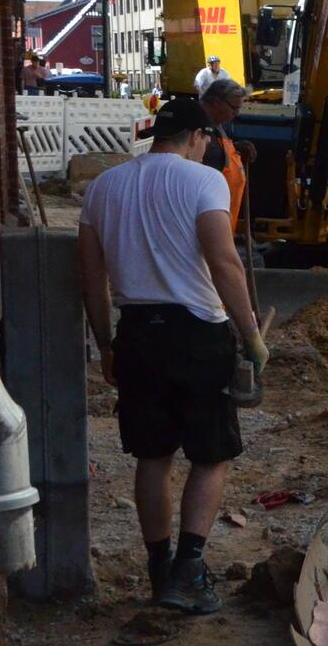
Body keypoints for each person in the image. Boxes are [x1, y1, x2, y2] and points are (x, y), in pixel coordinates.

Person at [77, 97, 266, 615]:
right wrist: (251, 335)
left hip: (137, 333)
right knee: (211, 455)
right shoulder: (203, 182)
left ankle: (159, 568)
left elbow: (92, 282)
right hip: (197, 333)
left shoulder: (102, 189)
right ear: (197, 136)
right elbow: (223, 261)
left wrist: (106, 345)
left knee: (153, 456)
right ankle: (189, 569)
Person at [198, 78, 253, 234]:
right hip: (209, 231)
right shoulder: (199, 130)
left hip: (222, 228)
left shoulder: (216, 125)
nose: (237, 114)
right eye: (234, 108)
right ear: (216, 102)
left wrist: (235, 149)